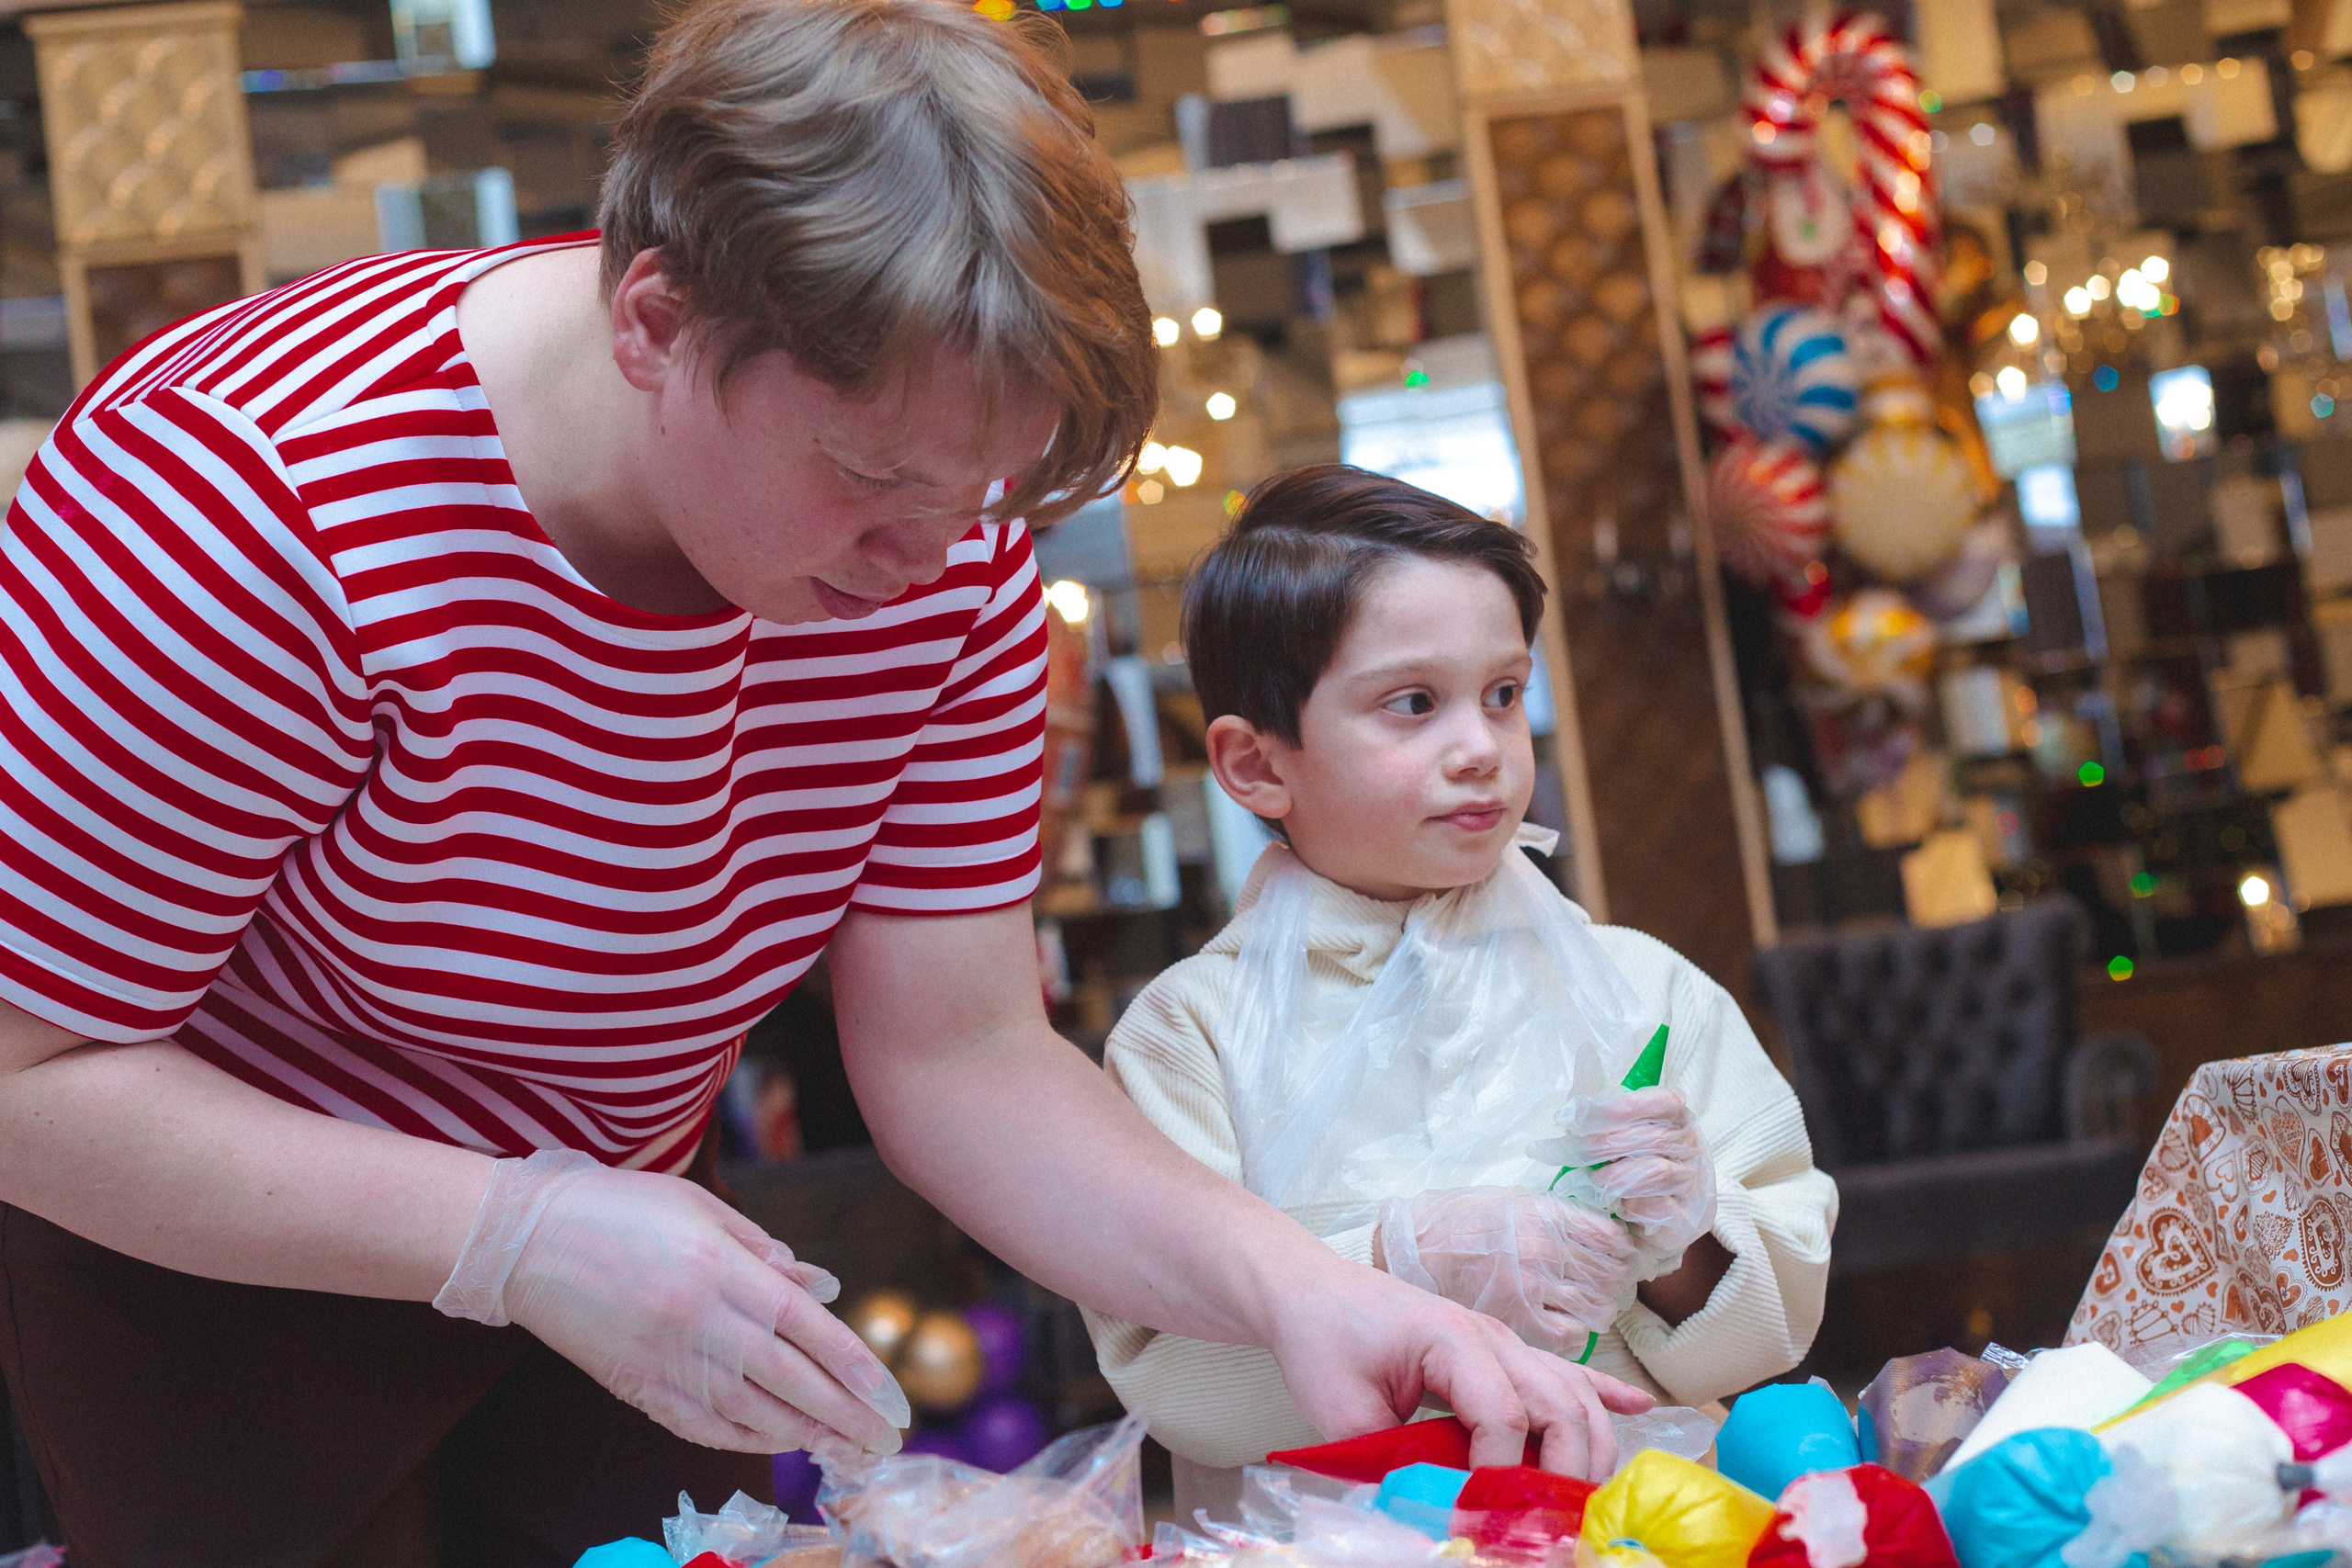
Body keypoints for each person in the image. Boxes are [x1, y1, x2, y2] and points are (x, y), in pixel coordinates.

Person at [0, 6, 1649, 1564]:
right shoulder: (233, 509)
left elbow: (963, 1048)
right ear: (654, 322)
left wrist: (1303, 1286)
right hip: (211, 1248)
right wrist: (513, 1231)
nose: (934, 558)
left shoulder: (948, 550)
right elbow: (31, 1069)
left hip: (634, 1209)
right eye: (870, 477)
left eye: (983, 491)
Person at [1083, 466, 1838, 1515]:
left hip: (1636, 1524)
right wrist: (1397, 1266)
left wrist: (1688, 1238)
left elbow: (1773, 1315)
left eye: (1503, 693)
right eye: (1412, 704)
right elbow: (1165, 1370)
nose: (1481, 749)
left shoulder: (1640, 988)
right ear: (1257, 765)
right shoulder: (1188, 1038)